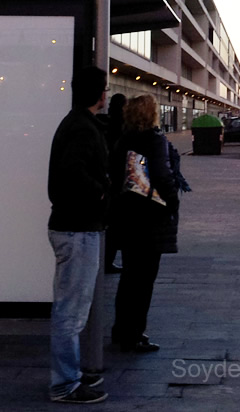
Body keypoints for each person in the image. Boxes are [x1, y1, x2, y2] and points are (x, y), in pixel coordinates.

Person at [47, 65, 110, 404]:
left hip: (74, 227)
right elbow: (73, 173)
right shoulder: (82, 128)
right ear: (97, 93)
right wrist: (100, 192)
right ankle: (64, 384)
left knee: (71, 309)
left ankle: (69, 372)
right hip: (77, 228)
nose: (106, 94)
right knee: (70, 313)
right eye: (104, 88)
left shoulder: (76, 123)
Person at [108, 94, 180, 352]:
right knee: (144, 280)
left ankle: (122, 330)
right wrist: (172, 201)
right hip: (150, 218)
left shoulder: (123, 140)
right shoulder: (154, 140)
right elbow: (162, 174)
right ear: (152, 114)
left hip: (126, 216)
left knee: (129, 277)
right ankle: (134, 333)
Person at [102, 93, 127, 274]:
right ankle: (108, 261)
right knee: (115, 227)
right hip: (117, 182)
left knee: (110, 225)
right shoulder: (122, 127)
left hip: (108, 179)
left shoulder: (105, 122)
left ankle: (106, 259)